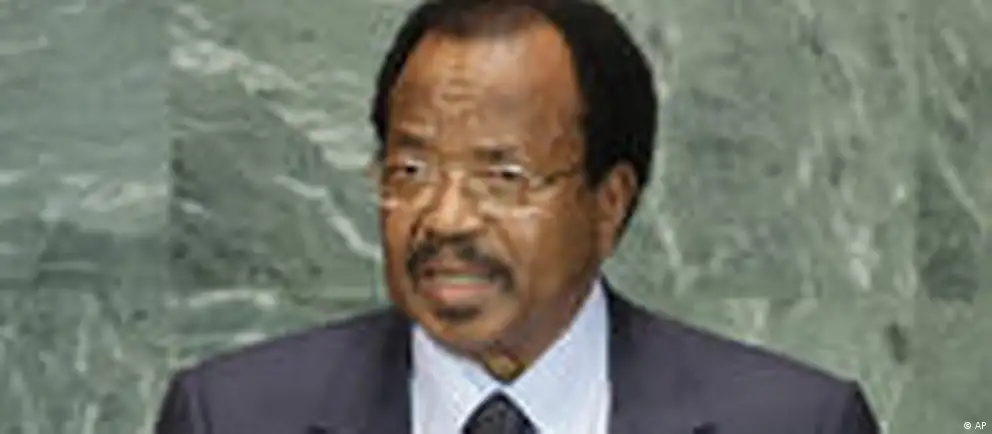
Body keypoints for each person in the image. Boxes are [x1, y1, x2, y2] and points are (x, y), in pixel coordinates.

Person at [155, 0, 880, 433]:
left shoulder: (796, 423)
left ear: (608, 203)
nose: (445, 218)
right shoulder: (230, 417)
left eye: (502, 177)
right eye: (411, 171)